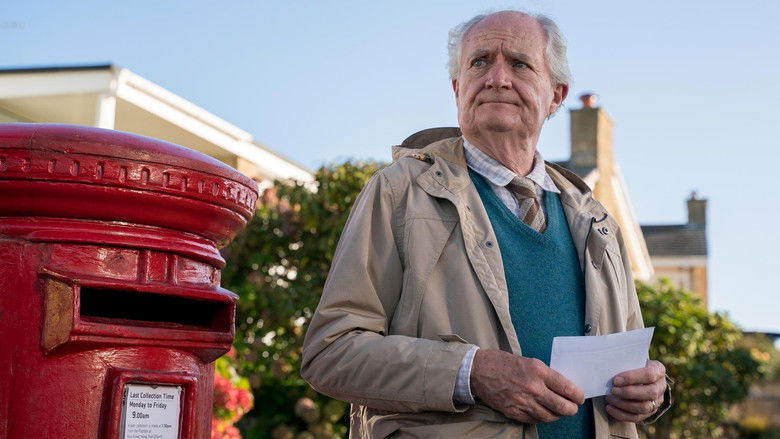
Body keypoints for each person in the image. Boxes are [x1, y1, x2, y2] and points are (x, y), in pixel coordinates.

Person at [301, 10, 670, 438]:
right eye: (479, 62)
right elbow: (331, 353)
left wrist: (652, 391)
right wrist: (471, 372)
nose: (497, 77)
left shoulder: (598, 222)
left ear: (556, 95)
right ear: (458, 88)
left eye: (519, 63)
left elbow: (632, 368)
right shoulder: (399, 191)